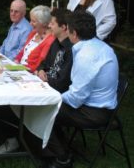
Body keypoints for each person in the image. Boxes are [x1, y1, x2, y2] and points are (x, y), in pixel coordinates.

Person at [40, 11, 119, 168]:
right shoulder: (99, 46)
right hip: (97, 105)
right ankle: (60, 148)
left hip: (95, 112)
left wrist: (53, 99)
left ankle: (62, 158)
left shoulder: (86, 55)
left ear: (73, 33)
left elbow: (76, 98)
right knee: (47, 105)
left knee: (43, 109)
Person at [36, 9, 73, 93]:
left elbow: (63, 81)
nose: (49, 26)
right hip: (46, 85)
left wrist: (45, 79)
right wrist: (41, 71)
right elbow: (43, 64)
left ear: (63, 27)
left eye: (52, 24)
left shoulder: (71, 49)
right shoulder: (55, 43)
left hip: (57, 92)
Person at [14, 5, 55, 72]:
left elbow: (39, 64)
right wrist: (16, 61)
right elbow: (23, 51)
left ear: (44, 23)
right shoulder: (33, 34)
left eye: (34, 21)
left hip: (30, 74)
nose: (30, 23)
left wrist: (21, 68)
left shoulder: (49, 40)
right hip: (20, 69)